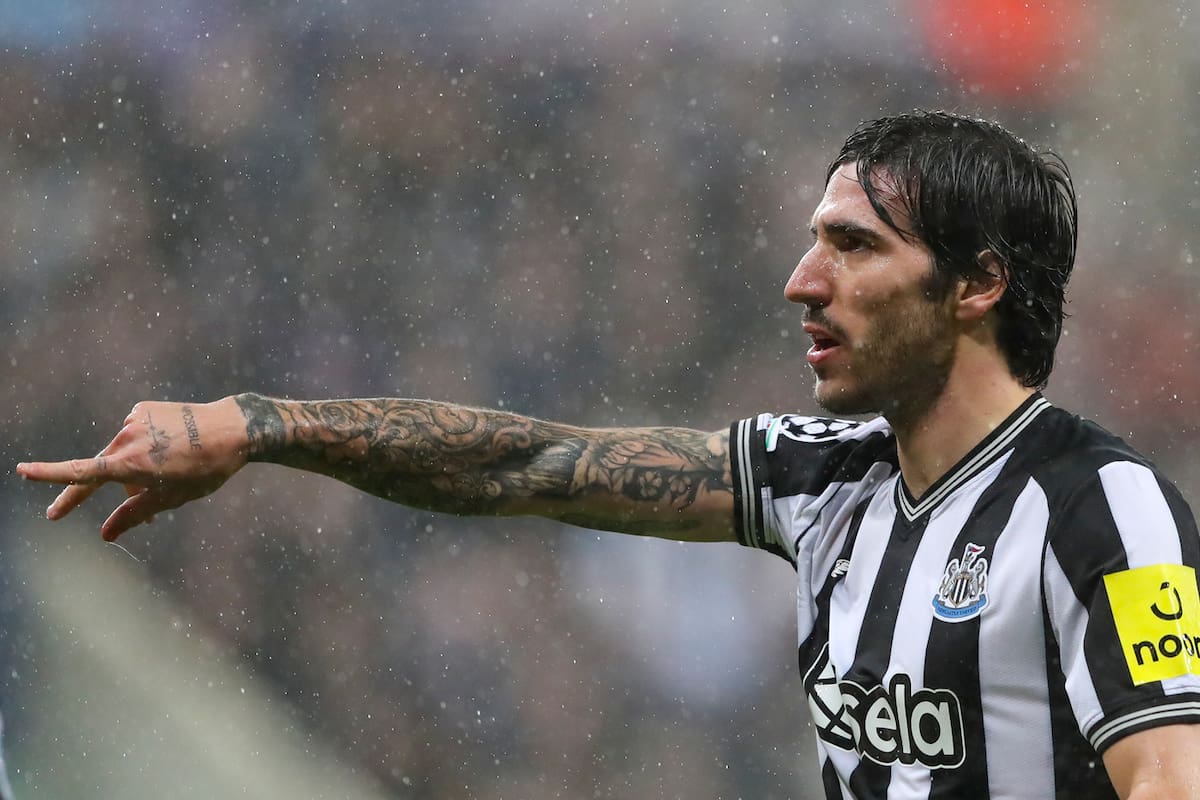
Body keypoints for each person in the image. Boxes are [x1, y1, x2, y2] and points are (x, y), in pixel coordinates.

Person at [17, 110, 1200, 799]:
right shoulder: (818, 477)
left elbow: (1169, 778)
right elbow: (526, 465)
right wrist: (262, 425)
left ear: (977, 283)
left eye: (853, 246)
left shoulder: (1106, 508)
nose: (803, 281)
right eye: (812, 243)